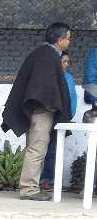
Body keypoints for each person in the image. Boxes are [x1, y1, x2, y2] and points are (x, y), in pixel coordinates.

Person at [1, 22, 72, 201]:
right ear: (59, 39)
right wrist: (53, 106)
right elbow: (44, 89)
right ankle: (29, 190)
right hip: (41, 113)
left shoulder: (45, 54)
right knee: (36, 150)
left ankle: (32, 187)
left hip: (36, 112)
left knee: (36, 149)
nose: (70, 41)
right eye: (68, 38)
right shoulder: (47, 55)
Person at [41, 51, 78, 191]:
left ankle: (49, 180)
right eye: (64, 61)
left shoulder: (69, 77)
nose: (67, 64)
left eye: (68, 61)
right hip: (49, 116)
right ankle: (42, 179)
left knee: (54, 150)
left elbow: (73, 98)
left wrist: (70, 114)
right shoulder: (49, 77)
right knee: (43, 150)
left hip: (62, 118)